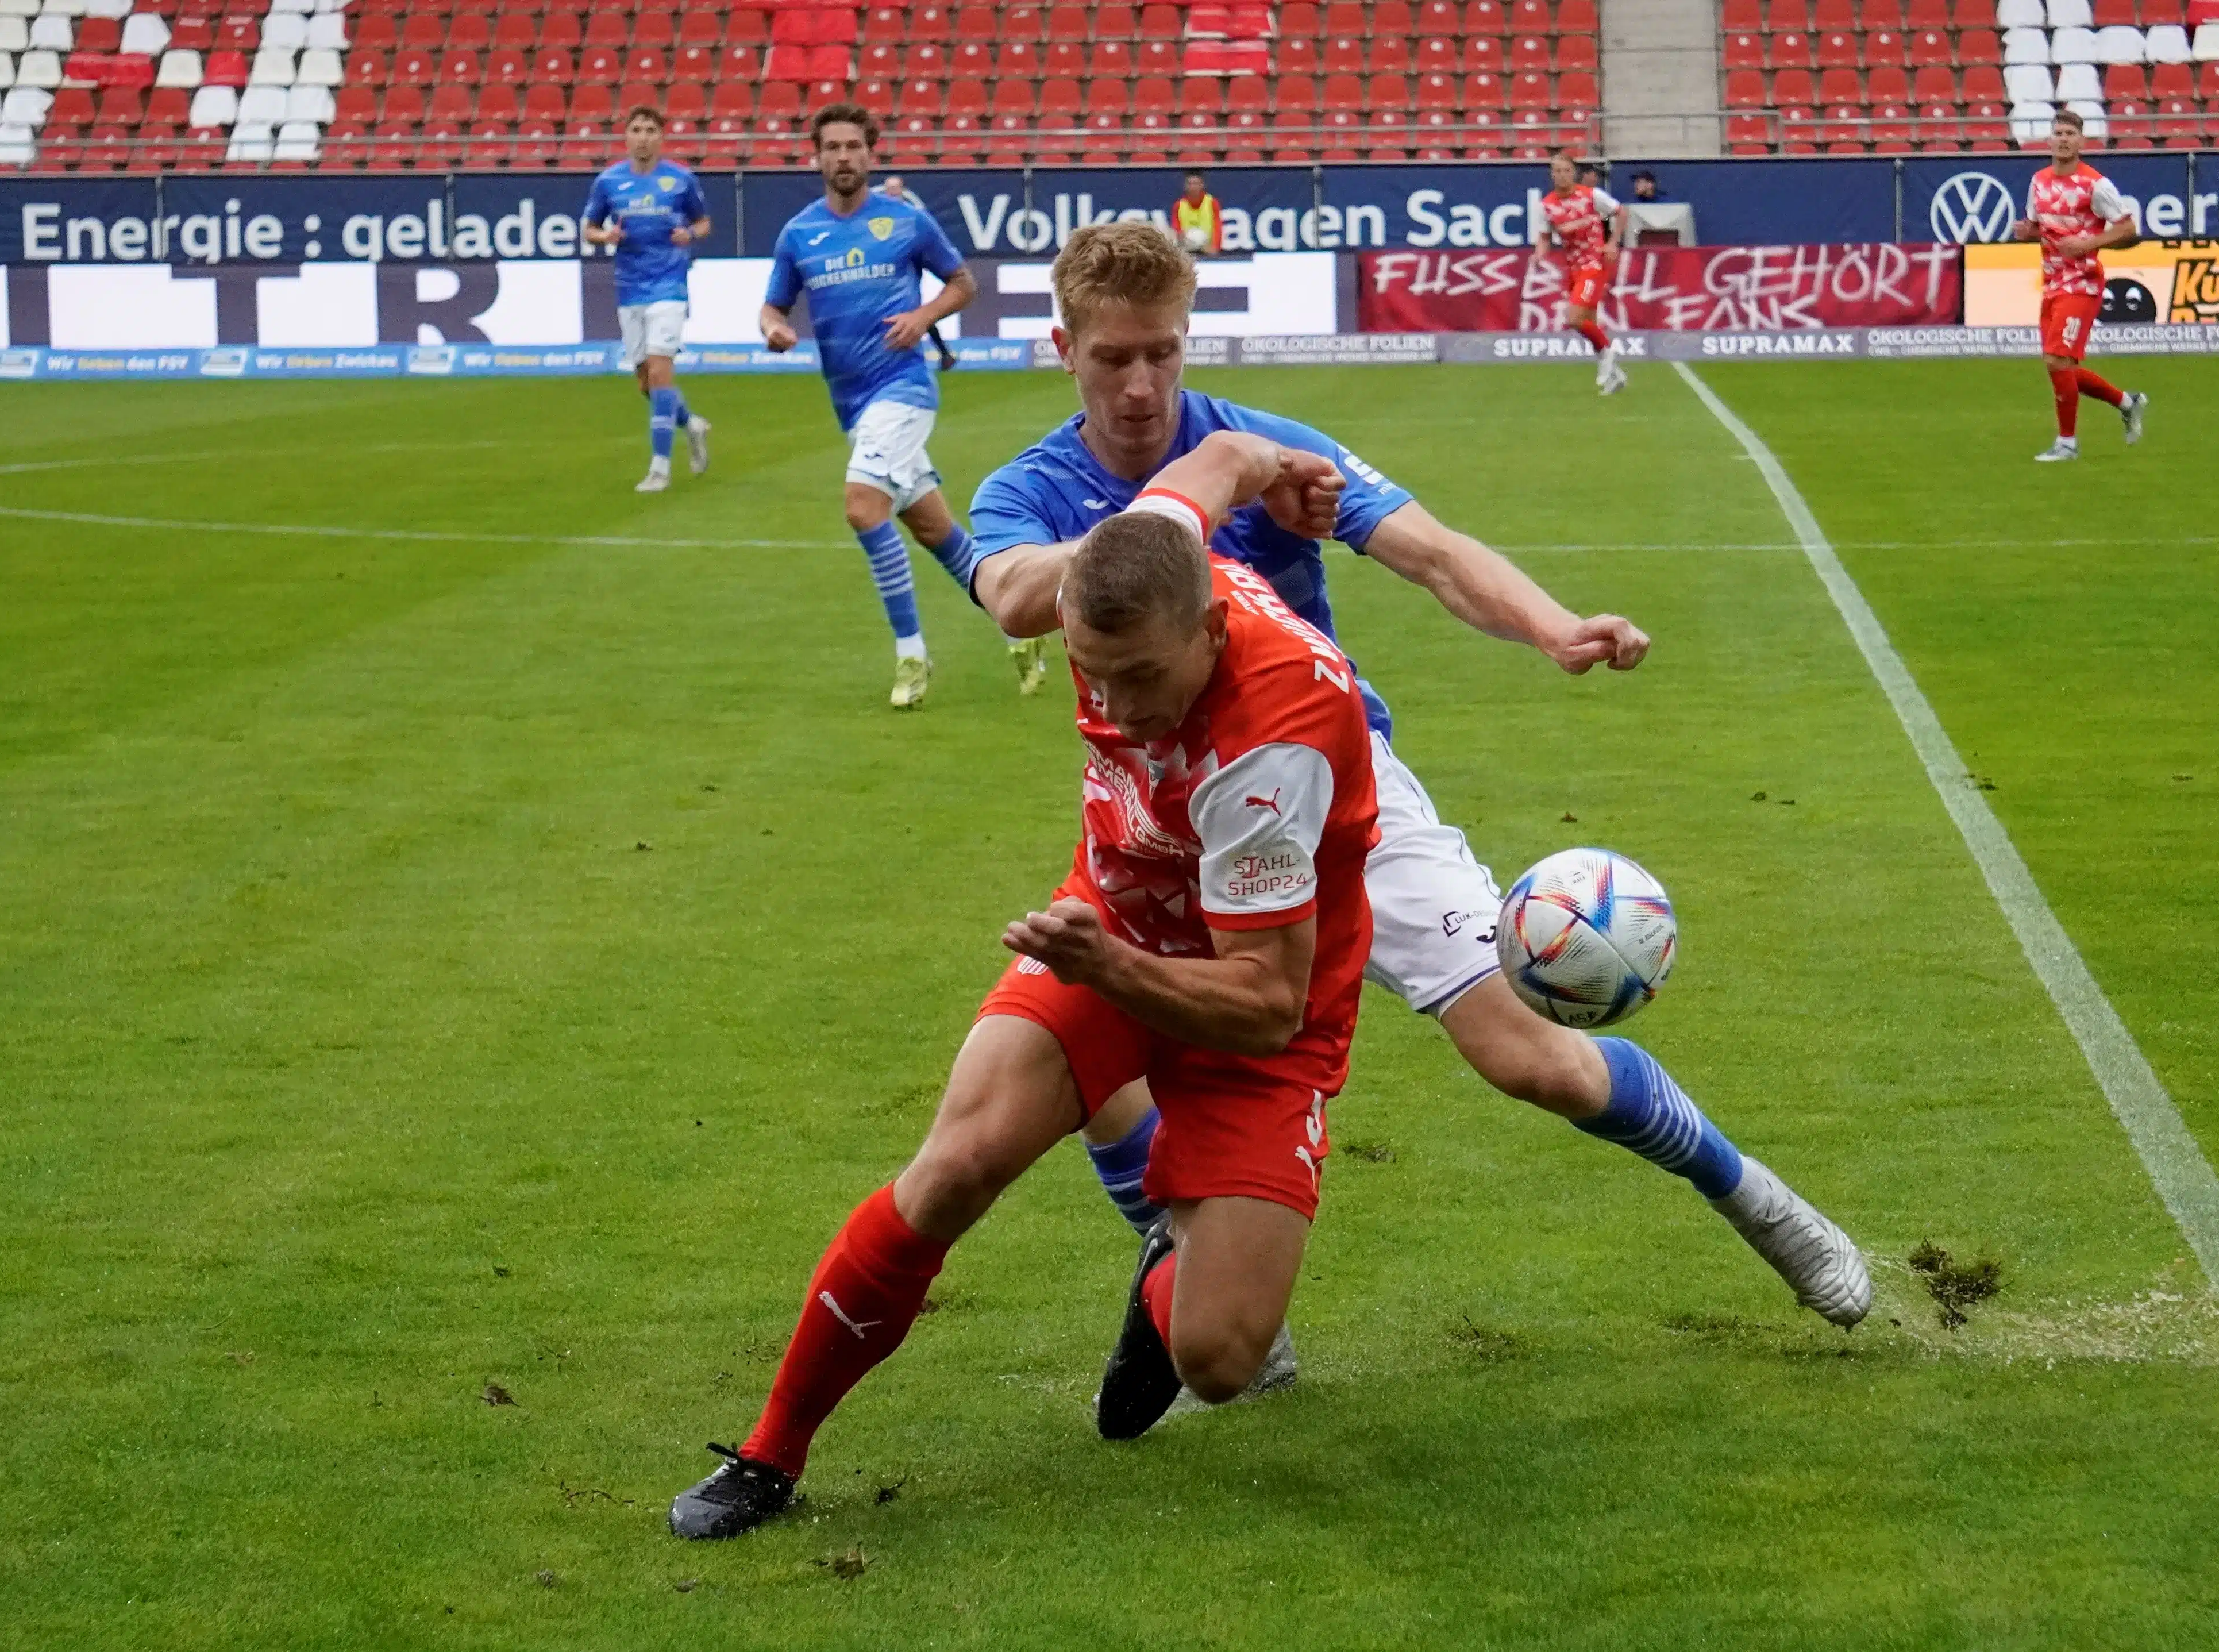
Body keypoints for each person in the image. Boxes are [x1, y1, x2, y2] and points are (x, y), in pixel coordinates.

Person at [939, 224, 1870, 1404]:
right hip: (1164, 835)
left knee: (1528, 1056)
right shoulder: (1037, 485)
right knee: (1089, 1045)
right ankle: (1188, 1266)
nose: (1139, 386)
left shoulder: (1275, 454)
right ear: (1061, 347)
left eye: (1162, 356)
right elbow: (1019, 595)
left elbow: (1431, 553)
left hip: (1340, 798)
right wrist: (1191, 506)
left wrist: (1551, 626)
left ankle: (1760, 1202)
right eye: (1112, 358)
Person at [668, 430, 1378, 1539]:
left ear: (1207, 628)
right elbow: (1224, 457)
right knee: (953, 1164)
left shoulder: (1267, 747)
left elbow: (1265, 1003)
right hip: (1114, 917)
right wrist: (1287, 472)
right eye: (1095, 675)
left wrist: (1107, 966)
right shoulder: (1149, 551)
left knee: (1222, 1359)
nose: (1120, 708)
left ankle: (1170, 1272)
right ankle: (767, 1457)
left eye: (1143, 680)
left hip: (1254, 1000)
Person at [761, 103, 1042, 709]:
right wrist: (774, 328)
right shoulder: (798, 234)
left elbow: (963, 282)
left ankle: (912, 654)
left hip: (905, 391)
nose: (842, 157)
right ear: (817, 157)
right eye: (831, 147)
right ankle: (1016, 626)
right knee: (936, 530)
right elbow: (774, 306)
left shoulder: (904, 222)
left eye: (852, 147)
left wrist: (923, 316)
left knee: (864, 509)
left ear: (870, 153)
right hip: (854, 405)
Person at [582, 106, 713, 494]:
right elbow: (588, 228)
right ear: (626, 137)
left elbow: (704, 222)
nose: (643, 137)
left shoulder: (680, 179)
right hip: (629, 287)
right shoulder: (609, 182)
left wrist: (690, 234)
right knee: (646, 383)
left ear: (661, 137)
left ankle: (659, 469)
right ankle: (690, 424)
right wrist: (604, 238)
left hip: (669, 285)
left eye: (650, 130)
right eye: (636, 130)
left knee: (660, 372)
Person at [2010, 109, 2149, 464]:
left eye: (2070, 133)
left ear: (2081, 142)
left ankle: (2067, 444)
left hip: (2082, 284)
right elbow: (2042, 228)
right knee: (2060, 366)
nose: (2063, 139)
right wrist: (2028, 234)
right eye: (2058, 133)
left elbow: (2130, 230)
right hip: (2052, 283)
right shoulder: (2039, 181)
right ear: (2050, 140)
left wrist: (2088, 244)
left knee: (2057, 361)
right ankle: (2126, 402)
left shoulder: (2096, 185)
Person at [1534, 152, 1627, 395]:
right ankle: (1616, 376)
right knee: (1588, 324)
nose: (1562, 175)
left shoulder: (1591, 196)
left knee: (1574, 318)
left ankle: (1609, 352)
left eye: (1566, 170)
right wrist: (1539, 253)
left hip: (1594, 263)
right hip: (1574, 267)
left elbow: (1621, 212)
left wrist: (1613, 243)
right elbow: (1545, 237)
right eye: (1557, 171)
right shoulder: (1546, 206)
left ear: (1573, 173)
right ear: (1551, 174)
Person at [875, 174, 957, 371]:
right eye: (890, 189)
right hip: (884, 269)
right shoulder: (877, 215)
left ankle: (943, 353)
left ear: (902, 191)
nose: (892, 193)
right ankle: (943, 354)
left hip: (908, 268)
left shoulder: (913, 216)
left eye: (896, 189)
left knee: (913, 309)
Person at [1171, 170, 1222, 255]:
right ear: (1185, 186)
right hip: (1186, 249)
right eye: (1190, 184)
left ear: (1202, 185)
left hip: (1207, 249)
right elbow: (1176, 228)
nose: (1193, 187)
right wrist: (1181, 237)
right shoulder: (1179, 205)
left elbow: (1217, 226)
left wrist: (1215, 247)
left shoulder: (1212, 202)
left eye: (1196, 184)